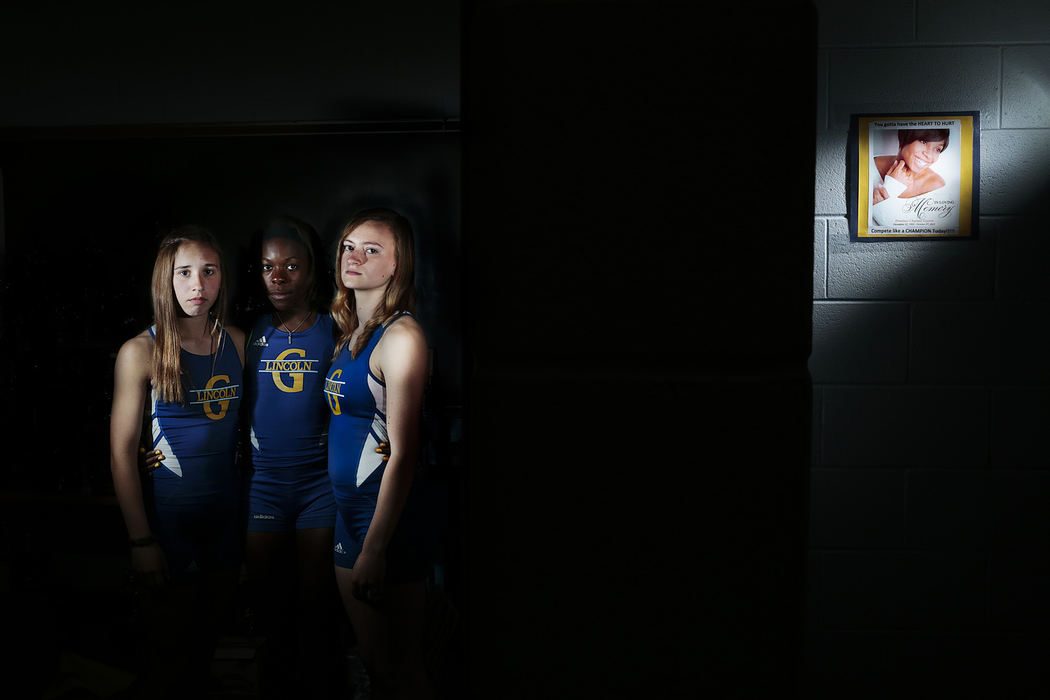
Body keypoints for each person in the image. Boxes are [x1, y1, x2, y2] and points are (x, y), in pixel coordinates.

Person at [109, 225, 246, 698]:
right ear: (165, 280)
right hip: (168, 524)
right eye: (184, 273)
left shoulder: (238, 343)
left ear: (221, 278)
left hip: (226, 519)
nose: (197, 285)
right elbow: (122, 451)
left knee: (205, 651)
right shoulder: (140, 351)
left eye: (209, 271)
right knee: (168, 657)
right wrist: (140, 539)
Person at [324, 208, 433, 699]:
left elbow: (405, 454)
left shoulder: (402, 337)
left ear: (396, 266)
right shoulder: (350, 335)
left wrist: (375, 548)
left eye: (372, 250)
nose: (355, 256)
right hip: (349, 517)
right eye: (349, 246)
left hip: (385, 526)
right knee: (372, 661)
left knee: (400, 669)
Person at [240, 216, 342, 699]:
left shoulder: (335, 329)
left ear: (312, 271)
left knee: (316, 608)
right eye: (267, 266)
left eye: (291, 266)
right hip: (264, 489)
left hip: (318, 490)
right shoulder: (247, 333)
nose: (277, 276)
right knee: (269, 612)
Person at [871, 128, 949, 226]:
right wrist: (891, 186)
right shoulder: (868, 165)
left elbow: (923, 236)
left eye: (937, 149)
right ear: (905, 137)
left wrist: (882, 206)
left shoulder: (938, 186)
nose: (929, 155)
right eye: (923, 141)